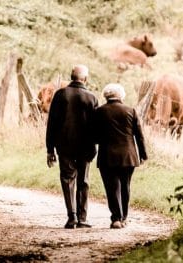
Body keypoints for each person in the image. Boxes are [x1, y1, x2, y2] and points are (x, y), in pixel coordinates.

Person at [45, 64, 98, 229]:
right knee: (83, 181)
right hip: (86, 147)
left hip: (64, 146)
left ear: (71, 76)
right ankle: (82, 218)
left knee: (67, 179)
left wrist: (50, 149)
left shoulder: (60, 95)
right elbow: (96, 126)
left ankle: (72, 217)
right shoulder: (91, 98)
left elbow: (51, 124)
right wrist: (96, 145)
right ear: (85, 79)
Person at [93, 83, 148, 229]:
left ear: (106, 95)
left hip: (107, 155)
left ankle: (116, 218)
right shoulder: (131, 111)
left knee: (111, 187)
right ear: (121, 95)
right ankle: (124, 217)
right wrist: (143, 154)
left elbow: (94, 136)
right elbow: (139, 136)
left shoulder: (99, 112)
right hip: (128, 155)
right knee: (125, 186)